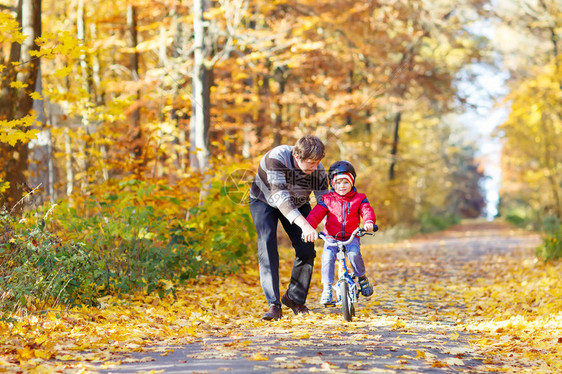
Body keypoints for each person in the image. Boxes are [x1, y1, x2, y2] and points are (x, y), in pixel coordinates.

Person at [249, 135, 330, 320]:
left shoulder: (318, 169)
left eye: (318, 163)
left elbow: (324, 199)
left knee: (307, 248)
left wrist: (330, 224)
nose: (315, 167)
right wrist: (305, 225)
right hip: (264, 200)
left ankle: (294, 298)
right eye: (311, 163)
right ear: (297, 156)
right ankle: (274, 305)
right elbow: (280, 199)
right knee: (267, 244)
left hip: (299, 202)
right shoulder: (276, 159)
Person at [304, 160, 376, 305]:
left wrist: (369, 223)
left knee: (354, 254)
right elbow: (315, 215)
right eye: (338, 183)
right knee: (327, 257)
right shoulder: (326, 200)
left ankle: (361, 277)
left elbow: (366, 210)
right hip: (331, 238)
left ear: (352, 182)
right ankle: (327, 288)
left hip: (351, 236)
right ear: (332, 184)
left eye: (345, 182)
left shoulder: (359, 198)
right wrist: (308, 227)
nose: (341, 186)